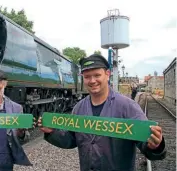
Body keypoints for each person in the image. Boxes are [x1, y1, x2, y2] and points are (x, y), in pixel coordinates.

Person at [37, 54, 166, 171]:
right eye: (87, 77)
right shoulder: (79, 109)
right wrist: (52, 132)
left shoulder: (128, 107)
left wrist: (155, 146)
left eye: (97, 75)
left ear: (107, 74)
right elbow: (71, 140)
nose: (92, 81)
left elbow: (146, 143)